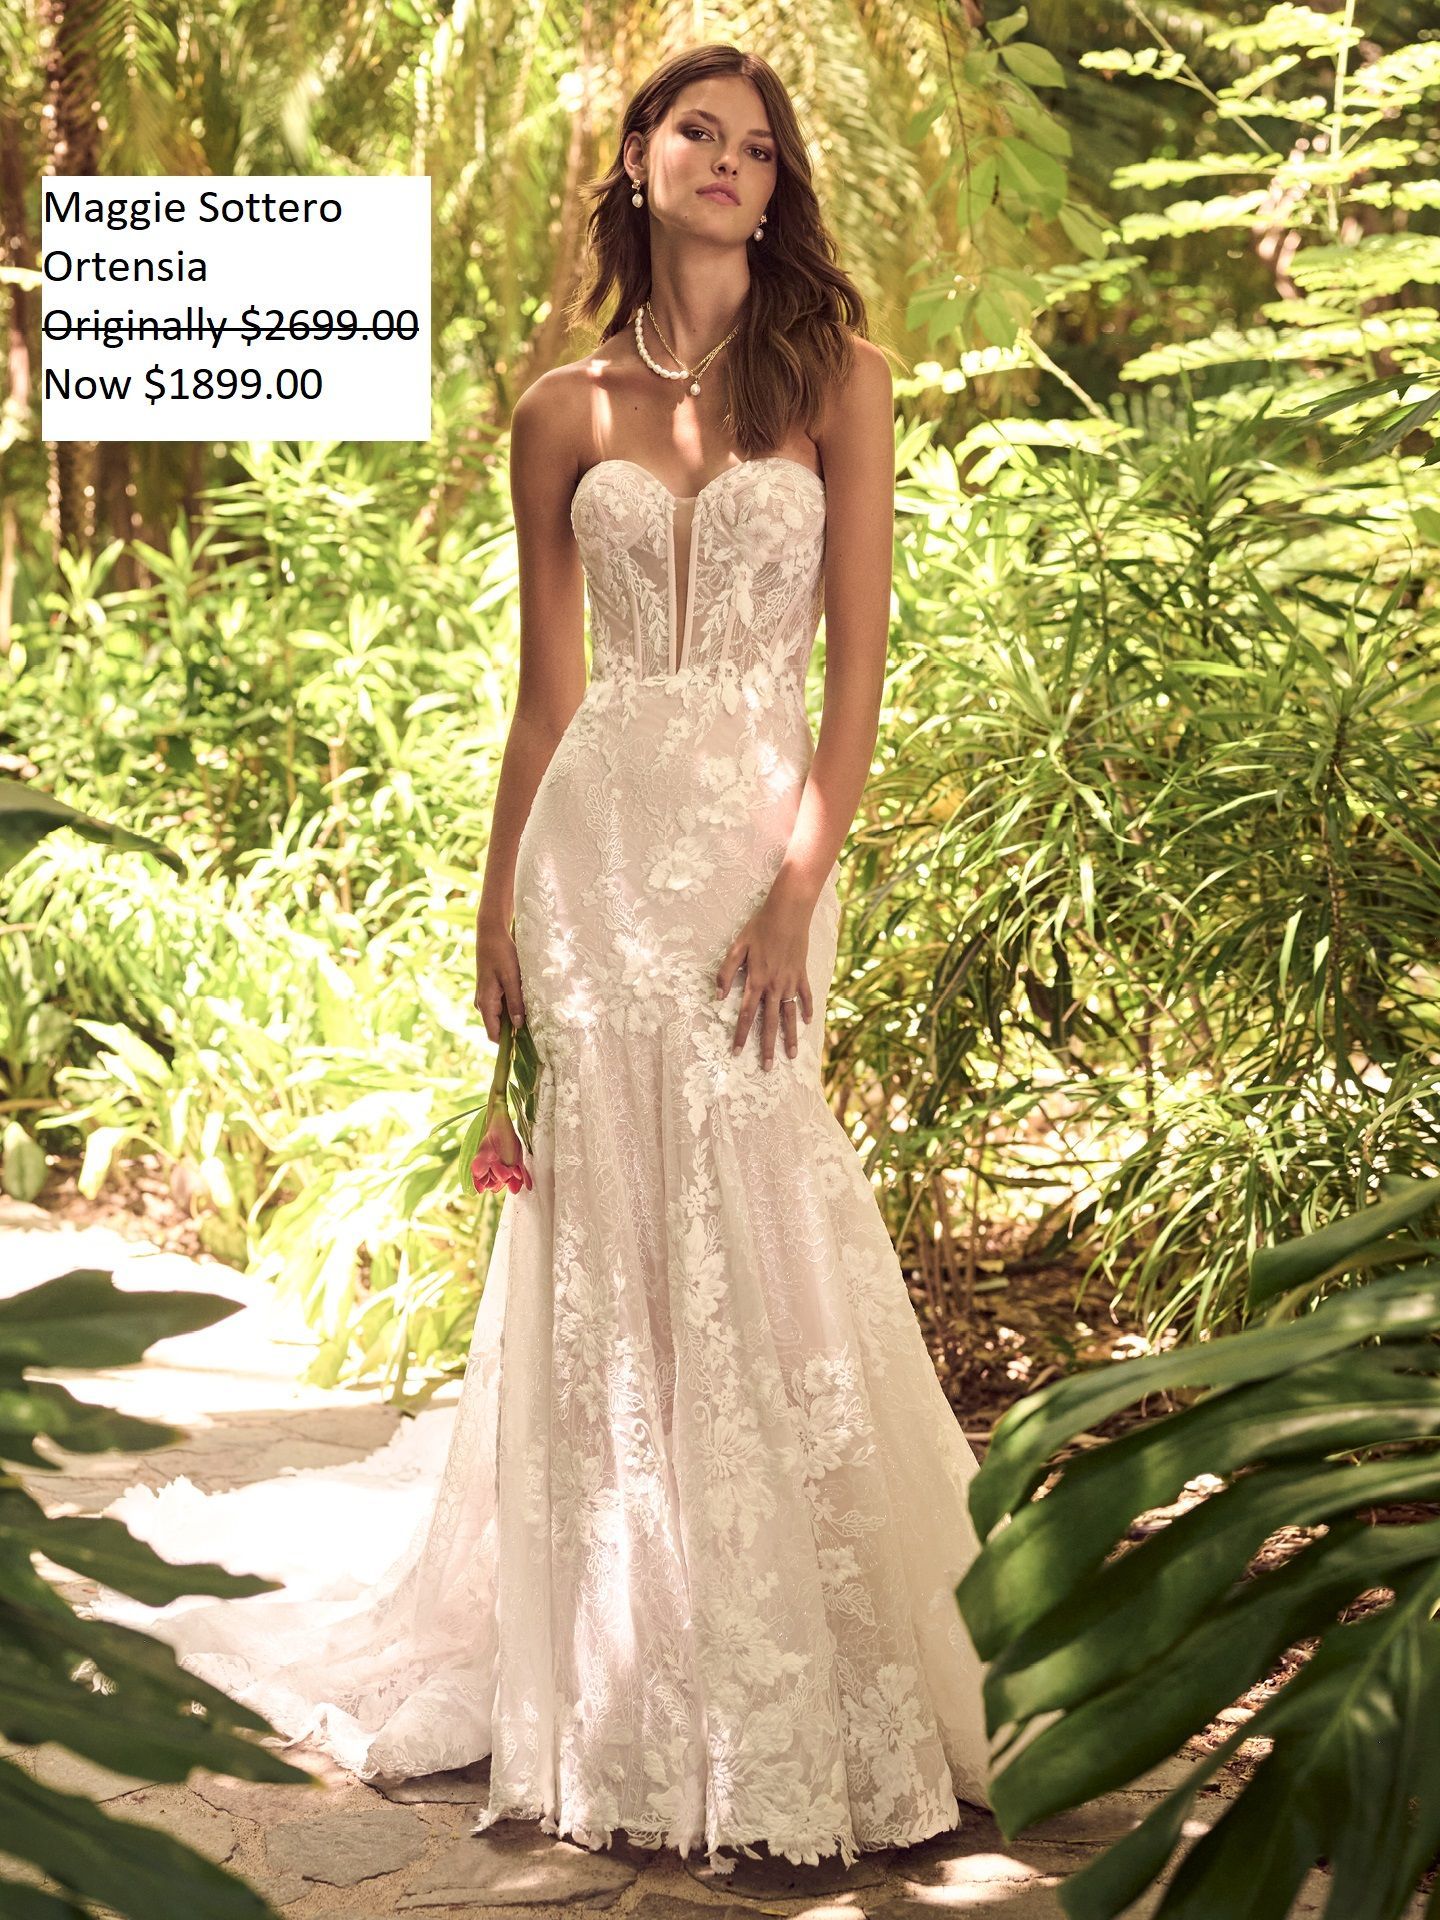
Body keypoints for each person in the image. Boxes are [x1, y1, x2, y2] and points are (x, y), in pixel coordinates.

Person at [83, 41, 994, 1879]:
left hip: (751, 852)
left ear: (777, 186)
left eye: (757, 146)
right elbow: (546, 694)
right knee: (614, 1229)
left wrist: (797, 890)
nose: (729, 162)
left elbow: (858, 675)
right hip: (593, 865)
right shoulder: (561, 408)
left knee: (759, 1189)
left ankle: (801, 1654)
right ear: (639, 161)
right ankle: (629, 1675)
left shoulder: (841, 377)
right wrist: (498, 900)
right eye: (697, 133)